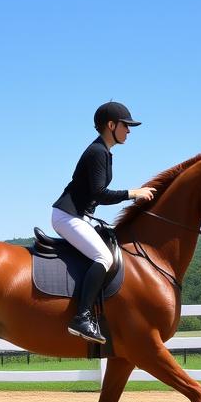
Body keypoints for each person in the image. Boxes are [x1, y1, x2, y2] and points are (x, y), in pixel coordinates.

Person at [52, 101, 156, 344]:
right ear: (111, 125)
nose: (129, 131)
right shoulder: (98, 152)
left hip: (79, 215)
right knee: (104, 258)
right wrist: (133, 193)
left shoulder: (104, 152)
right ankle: (82, 317)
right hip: (68, 216)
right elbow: (99, 193)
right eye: (126, 126)